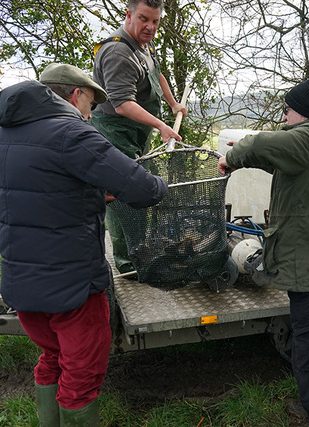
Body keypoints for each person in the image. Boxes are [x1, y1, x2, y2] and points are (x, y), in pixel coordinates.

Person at [0, 63, 168, 426]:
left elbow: (34, 189)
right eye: (91, 104)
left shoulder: (6, 132)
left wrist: (91, 193)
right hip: (73, 288)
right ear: (76, 95)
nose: (90, 114)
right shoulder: (71, 132)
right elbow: (142, 188)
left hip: (22, 285)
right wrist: (161, 186)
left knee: (52, 358)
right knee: (81, 376)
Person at [217, 76, 309, 426]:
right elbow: (280, 159)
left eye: (287, 110)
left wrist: (234, 156)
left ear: (304, 112)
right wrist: (246, 155)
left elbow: (263, 142)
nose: (283, 117)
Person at [92, 0, 187, 274]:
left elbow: (157, 75)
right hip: (114, 132)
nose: (150, 27)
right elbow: (122, 104)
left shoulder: (143, 45)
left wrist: (173, 104)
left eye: (155, 21)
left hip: (134, 132)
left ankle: (141, 250)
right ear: (129, 15)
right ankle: (128, 263)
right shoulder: (118, 52)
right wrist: (161, 125)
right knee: (123, 194)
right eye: (144, 19)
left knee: (137, 188)